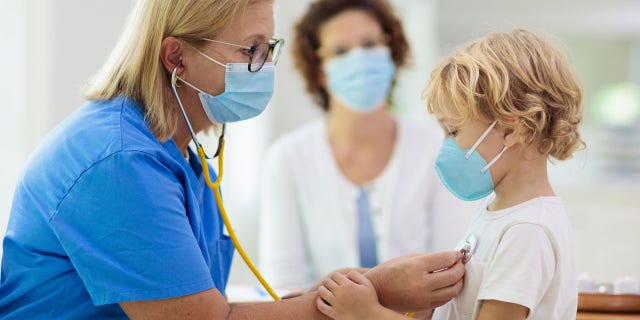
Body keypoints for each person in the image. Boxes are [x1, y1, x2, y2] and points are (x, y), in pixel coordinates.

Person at [0, 0, 466, 319]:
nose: (264, 66)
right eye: (250, 50)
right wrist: (375, 292)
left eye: (269, 49)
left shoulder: (179, 157)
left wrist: (362, 289)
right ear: (176, 56)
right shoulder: (118, 163)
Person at [315, 29, 583, 320]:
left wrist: (367, 314)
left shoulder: (527, 231)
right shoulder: (498, 212)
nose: (445, 146)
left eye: (453, 131)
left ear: (511, 129)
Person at [258, 0, 467, 289]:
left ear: (391, 53)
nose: (359, 58)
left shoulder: (436, 147)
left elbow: (452, 268)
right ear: (319, 71)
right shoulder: (288, 158)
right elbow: (283, 285)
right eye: (341, 51)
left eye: (370, 44)